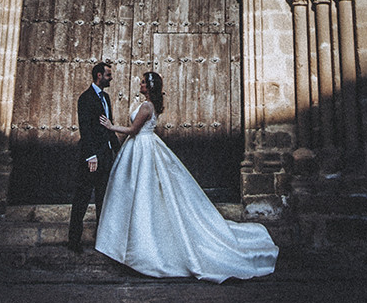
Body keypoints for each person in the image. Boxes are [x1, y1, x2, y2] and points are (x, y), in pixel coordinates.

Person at [94, 70, 278, 281]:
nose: (141, 84)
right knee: (139, 192)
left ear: (149, 87)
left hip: (142, 147)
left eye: (144, 82)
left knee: (142, 192)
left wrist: (111, 126)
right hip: (142, 148)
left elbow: (134, 130)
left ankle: (140, 249)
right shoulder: (148, 105)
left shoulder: (146, 106)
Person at [66, 60, 118, 251]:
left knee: (103, 200)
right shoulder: (85, 98)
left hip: (105, 157)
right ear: (99, 75)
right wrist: (90, 155)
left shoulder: (106, 98)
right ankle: (74, 241)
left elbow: (108, 127)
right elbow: (85, 129)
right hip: (91, 159)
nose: (110, 78)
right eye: (108, 75)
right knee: (82, 197)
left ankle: (102, 241)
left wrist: (117, 150)